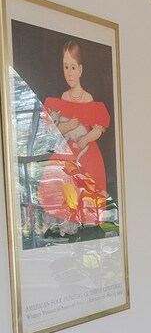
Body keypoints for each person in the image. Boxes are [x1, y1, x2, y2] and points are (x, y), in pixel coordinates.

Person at [37, 40, 111, 232]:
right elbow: (53, 129)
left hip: (88, 157)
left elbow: (99, 128)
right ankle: (64, 230)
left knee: (87, 196)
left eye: (72, 67)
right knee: (61, 194)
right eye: (65, 67)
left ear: (80, 69)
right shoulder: (59, 101)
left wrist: (85, 139)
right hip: (64, 157)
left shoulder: (91, 101)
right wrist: (68, 125)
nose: (69, 72)